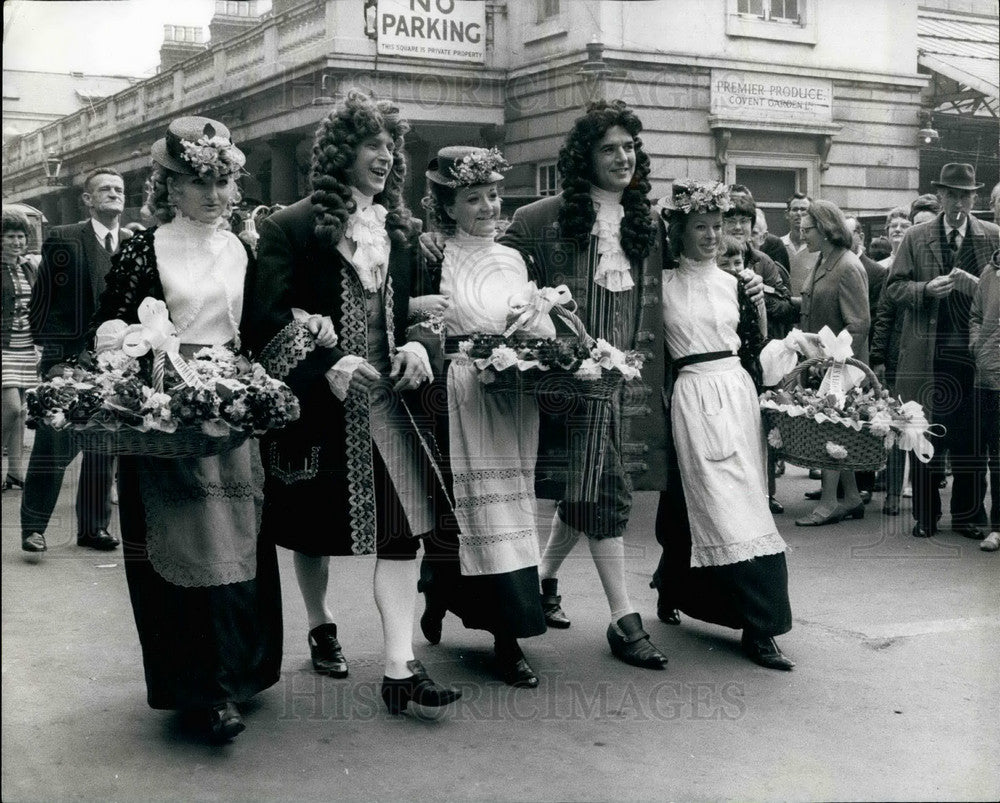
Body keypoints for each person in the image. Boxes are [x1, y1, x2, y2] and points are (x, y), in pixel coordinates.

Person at [244, 89, 462, 715]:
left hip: (391, 405)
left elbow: (421, 311)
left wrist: (421, 345)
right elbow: (264, 322)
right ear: (343, 152)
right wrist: (327, 361)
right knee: (312, 534)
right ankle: (320, 622)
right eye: (374, 144)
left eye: (392, 146)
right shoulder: (287, 227)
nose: (387, 157)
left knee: (400, 534)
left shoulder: (401, 230)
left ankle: (399, 666)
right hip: (321, 407)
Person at [93, 117, 284, 741]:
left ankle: (241, 675)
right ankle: (202, 690)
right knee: (183, 543)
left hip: (230, 406)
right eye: (198, 181)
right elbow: (111, 329)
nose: (214, 193)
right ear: (169, 186)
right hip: (165, 405)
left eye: (223, 180)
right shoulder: (142, 248)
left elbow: (256, 328)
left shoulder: (242, 248)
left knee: (237, 535)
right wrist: (141, 358)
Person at [414, 146, 552, 688]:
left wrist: (535, 320)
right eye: (474, 198)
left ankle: (439, 590)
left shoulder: (515, 257)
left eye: (493, 195)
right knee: (477, 514)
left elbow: (531, 322)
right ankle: (507, 638)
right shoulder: (432, 254)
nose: (489, 207)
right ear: (448, 207)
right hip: (464, 391)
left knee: (511, 509)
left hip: (514, 393)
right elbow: (416, 319)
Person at [655, 179, 794, 670]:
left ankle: (747, 618)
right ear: (679, 231)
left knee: (745, 503)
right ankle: (758, 627)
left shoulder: (739, 283)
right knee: (710, 503)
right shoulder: (663, 285)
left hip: (737, 394)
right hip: (691, 394)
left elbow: (755, 351)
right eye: (700, 227)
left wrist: (775, 399)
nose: (712, 235)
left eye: (717, 226)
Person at [885, 164, 1000, 540]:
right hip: (928, 355)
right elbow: (893, 288)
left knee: (972, 441)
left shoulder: (991, 237)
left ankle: (968, 516)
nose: (958, 202)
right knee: (924, 436)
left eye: (965, 195)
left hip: (973, 357)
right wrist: (923, 290)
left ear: (974, 198)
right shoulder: (916, 236)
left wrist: (973, 287)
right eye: (951, 194)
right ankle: (925, 517)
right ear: (940, 197)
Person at [22, 168, 128, 553]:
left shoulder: (131, 242)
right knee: (54, 441)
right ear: (87, 199)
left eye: (118, 188)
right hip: (69, 359)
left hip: (117, 362)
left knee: (104, 443)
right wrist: (55, 360)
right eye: (104, 189)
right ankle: (33, 527)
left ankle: (93, 528)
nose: (113, 194)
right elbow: (43, 303)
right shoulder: (65, 238)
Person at [794, 199, 871, 527]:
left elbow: (859, 324)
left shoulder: (848, 265)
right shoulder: (823, 260)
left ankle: (828, 504)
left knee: (830, 431)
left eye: (806, 229)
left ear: (825, 229)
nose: (802, 234)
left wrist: (833, 359)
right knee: (834, 430)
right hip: (825, 363)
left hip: (843, 368)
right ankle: (851, 498)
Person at [2, 207, 38, 502]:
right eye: (11, 236)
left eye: (21, 237)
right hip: (3, 345)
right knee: (11, 408)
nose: (16, 242)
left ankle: (14, 470)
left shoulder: (28, 268)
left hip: (27, 345)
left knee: (22, 412)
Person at [971, 183, 999, 552]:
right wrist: (977, 344)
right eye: (995, 205)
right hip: (989, 376)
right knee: (995, 455)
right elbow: (977, 314)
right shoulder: (991, 269)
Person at [781, 192, 814, 307]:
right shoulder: (778, 245)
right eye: (795, 209)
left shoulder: (818, 249)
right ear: (787, 214)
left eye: (803, 209)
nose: (799, 213)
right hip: (784, 312)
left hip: (810, 311)